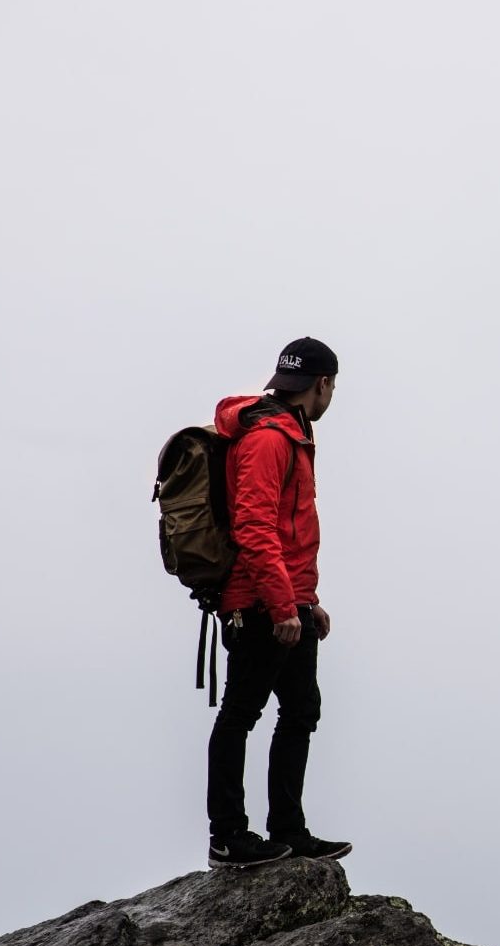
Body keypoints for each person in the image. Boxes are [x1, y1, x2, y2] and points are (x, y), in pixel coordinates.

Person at [205, 337, 352, 868]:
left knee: (301, 711)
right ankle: (227, 836)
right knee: (241, 713)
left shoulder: (292, 432)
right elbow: (254, 526)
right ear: (323, 384)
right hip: (259, 603)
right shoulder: (269, 438)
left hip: (288, 599)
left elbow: (289, 531)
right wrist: (282, 605)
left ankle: (288, 830)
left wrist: (307, 601)